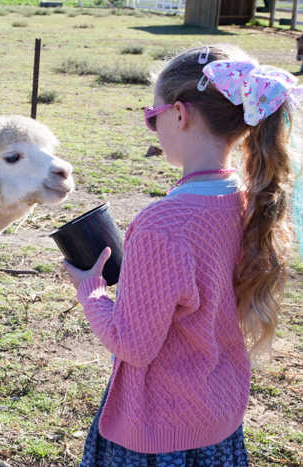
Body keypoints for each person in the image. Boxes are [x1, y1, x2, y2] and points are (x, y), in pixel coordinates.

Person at [62, 43, 303, 466]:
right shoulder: (250, 201)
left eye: (152, 118)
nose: (152, 130)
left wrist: (91, 289)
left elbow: (132, 345)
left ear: (180, 113)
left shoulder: (163, 223)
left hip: (157, 432)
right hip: (218, 418)